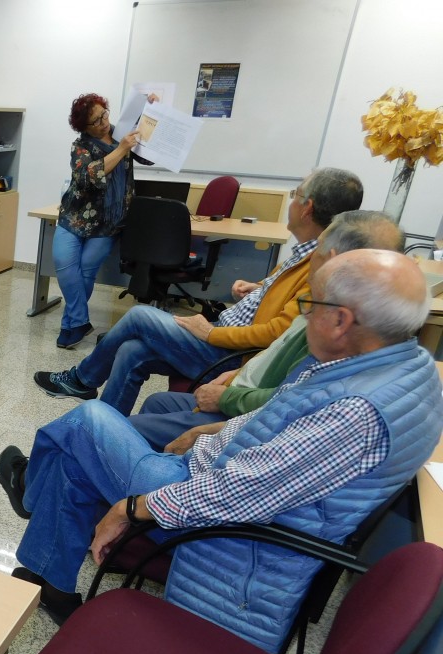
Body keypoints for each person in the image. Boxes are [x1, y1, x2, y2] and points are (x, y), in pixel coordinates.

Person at [0, 249, 442, 654]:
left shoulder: (356, 413)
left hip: (224, 529)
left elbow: (240, 493)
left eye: (311, 306)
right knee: (76, 456)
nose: (302, 317)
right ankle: (50, 581)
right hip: (218, 482)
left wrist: (133, 508)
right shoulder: (401, 367)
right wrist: (215, 428)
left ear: (342, 320)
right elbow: (283, 431)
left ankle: (29, 490)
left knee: (87, 421)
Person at [34, 167, 365, 415]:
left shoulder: (318, 265)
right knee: (131, 351)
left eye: (296, 194)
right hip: (222, 338)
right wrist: (260, 287)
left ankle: (81, 379)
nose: (291, 201)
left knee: (138, 316)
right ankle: (101, 424)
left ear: (307, 208)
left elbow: (277, 333)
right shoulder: (307, 251)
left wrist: (209, 333)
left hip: (227, 353)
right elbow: (285, 299)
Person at [129, 210, 406, 451]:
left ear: (332, 259)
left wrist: (226, 397)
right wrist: (237, 374)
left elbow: (287, 404)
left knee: (109, 421)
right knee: (151, 394)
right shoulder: (335, 307)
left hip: (242, 411)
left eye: (317, 250)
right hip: (241, 386)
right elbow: (279, 357)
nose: (309, 259)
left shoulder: (332, 329)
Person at [52, 92, 147, 350]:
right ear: (84, 127)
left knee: (86, 271)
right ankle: (79, 321)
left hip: (108, 220)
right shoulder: (80, 147)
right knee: (63, 263)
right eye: (95, 121)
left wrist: (153, 112)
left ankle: (71, 325)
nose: (104, 122)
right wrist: (121, 149)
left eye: (104, 114)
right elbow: (89, 176)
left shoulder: (124, 134)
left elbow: (150, 155)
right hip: (74, 214)